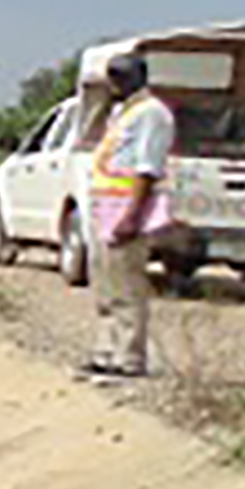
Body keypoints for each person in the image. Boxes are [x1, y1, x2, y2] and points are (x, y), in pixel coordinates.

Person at [83, 52, 176, 381]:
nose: (113, 84)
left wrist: (132, 216)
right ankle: (106, 351)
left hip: (126, 210)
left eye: (119, 77)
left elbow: (147, 169)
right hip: (105, 208)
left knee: (127, 286)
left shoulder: (152, 114)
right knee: (104, 285)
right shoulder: (122, 112)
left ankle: (130, 357)